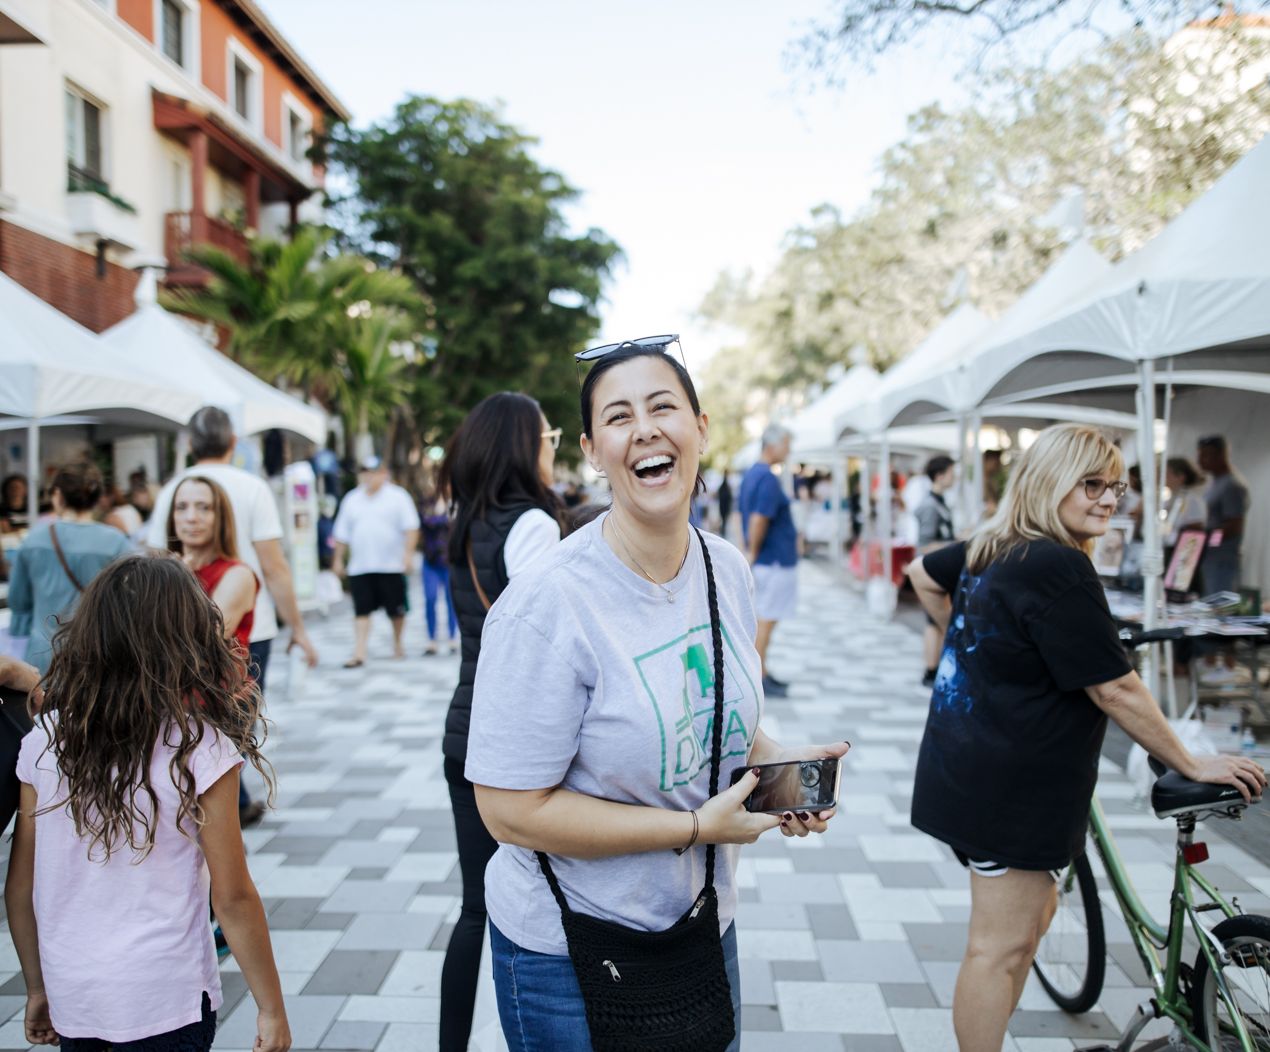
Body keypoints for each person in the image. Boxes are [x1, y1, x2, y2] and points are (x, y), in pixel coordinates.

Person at [465, 340, 849, 1051]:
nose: (644, 428)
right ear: (592, 450)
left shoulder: (725, 569)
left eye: (662, 406)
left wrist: (779, 773)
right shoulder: (547, 605)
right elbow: (509, 810)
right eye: (619, 416)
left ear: (701, 429)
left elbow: (713, 721)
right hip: (566, 953)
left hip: (703, 925)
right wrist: (697, 828)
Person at [905, 423, 1265, 1052]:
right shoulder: (1057, 563)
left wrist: (982, 644)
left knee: (1033, 920)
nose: (1107, 499)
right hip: (1009, 788)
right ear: (1050, 482)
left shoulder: (1000, 542)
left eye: (1117, 488)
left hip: (974, 770)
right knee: (997, 948)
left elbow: (922, 574)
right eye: (1091, 484)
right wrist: (1189, 760)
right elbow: (1116, 689)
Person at [5, 553, 291, 1051]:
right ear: (189, 640)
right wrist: (271, 1008)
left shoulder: (45, 740)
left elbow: (21, 885)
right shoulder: (199, 747)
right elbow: (232, 895)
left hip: (75, 993)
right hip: (168, 997)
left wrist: (36, 986)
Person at [435, 392, 565, 1051]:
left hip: (463, 731)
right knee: (538, 908)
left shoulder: (468, 523)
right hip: (516, 746)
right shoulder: (533, 527)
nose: (553, 448)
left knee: (472, 910)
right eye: (549, 437)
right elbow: (544, 644)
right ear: (524, 446)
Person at [148, 406, 318, 822]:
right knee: (233, 726)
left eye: (203, 510)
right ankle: (227, 800)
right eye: (185, 511)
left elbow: (156, 563)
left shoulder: (173, 488)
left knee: (224, 725)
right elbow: (275, 566)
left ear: (190, 444)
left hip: (227, 632)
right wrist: (296, 627)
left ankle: (224, 802)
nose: (191, 516)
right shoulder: (251, 486)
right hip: (252, 630)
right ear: (232, 444)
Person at [7, 464, 129, 675]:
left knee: (41, 707)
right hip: (98, 654)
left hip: (43, 655)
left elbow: (18, 599)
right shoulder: (117, 542)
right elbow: (128, 603)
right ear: (96, 497)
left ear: (57, 495)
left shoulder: (33, 539)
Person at [331, 456, 421, 668]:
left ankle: (398, 644)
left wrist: (407, 555)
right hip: (360, 566)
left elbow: (411, 528)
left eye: (372, 472)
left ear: (383, 473)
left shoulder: (398, 497)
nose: (368, 477)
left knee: (396, 610)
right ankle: (359, 651)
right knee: (361, 610)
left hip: (390, 565)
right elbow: (341, 534)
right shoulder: (352, 499)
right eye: (364, 472)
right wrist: (337, 560)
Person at [167, 476, 259, 657]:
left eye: (204, 508)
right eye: (181, 507)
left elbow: (204, 642)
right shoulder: (167, 568)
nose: (191, 518)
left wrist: (176, 581)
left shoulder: (238, 574)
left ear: (220, 516)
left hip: (216, 683)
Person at [738, 423, 797, 698]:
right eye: (787, 443)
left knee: (764, 618)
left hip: (766, 558)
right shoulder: (768, 478)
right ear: (773, 444)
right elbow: (759, 518)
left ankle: (761, 671)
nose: (789, 449)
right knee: (766, 619)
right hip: (773, 559)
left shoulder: (752, 474)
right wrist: (752, 549)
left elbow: (744, 516)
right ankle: (759, 675)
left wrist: (748, 549)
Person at [914, 454, 956, 688]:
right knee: (933, 621)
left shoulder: (937, 502)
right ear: (940, 475)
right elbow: (924, 543)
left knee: (936, 621)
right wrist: (956, 544)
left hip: (938, 569)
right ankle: (930, 670)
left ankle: (934, 667)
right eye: (951, 473)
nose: (954, 477)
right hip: (932, 571)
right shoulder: (930, 505)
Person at [418, 489, 458, 656]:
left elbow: (456, 524)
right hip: (431, 560)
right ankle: (431, 639)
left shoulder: (456, 502)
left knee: (451, 601)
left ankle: (453, 637)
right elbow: (427, 522)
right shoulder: (427, 503)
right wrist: (442, 514)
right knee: (430, 598)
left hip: (449, 562)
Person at [1163, 456, 1206, 548]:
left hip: (1181, 549)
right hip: (1168, 545)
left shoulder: (1191, 499)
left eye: (1167, 474)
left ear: (1180, 477)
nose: (1164, 479)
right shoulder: (1173, 497)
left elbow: (1195, 528)